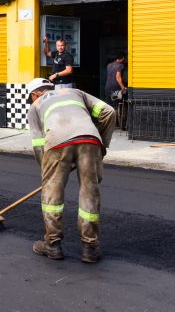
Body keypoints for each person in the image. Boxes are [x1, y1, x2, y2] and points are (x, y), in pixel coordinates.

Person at [26, 77, 116, 264]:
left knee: (52, 196)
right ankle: (90, 248)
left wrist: (46, 172)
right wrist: (101, 147)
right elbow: (109, 111)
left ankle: (52, 244)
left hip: (57, 141)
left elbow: (37, 143)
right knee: (89, 192)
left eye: (30, 98)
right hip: (90, 139)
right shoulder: (76, 92)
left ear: (35, 94)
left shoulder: (35, 106)